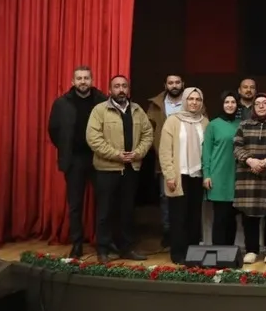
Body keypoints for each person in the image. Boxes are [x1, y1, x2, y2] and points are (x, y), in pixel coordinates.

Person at [84, 75, 153, 263]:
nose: (121, 89)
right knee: (105, 212)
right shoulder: (99, 110)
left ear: (128, 89)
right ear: (110, 90)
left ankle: (126, 248)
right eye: (117, 86)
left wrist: (138, 153)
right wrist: (116, 155)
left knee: (127, 211)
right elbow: (93, 138)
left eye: (124, 86)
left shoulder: (137, 110)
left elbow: (148, 134)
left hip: (131, 169)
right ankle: (103, 250)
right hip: (107, 170)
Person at [47, 65, 107, 258]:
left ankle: (102, 244)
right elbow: (53, 130)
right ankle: (77, 244)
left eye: (86, 78)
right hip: (74, 160)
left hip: (99, 158)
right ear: (73, 81)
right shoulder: (61, 103)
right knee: (75, 205)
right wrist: (66, 148)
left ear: (92, 80)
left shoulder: (103, 101)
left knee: (104, 202)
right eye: (79, 78)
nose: (83, 82)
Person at [158, 87, 208, 264]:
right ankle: (178, 254)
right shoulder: (173, 121)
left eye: (198, 99)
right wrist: (169, 175)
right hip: (178, 176)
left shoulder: (205, 122)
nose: (194, 102)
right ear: (185, 100)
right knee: (178, 216)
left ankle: (193, 253)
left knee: (194, 216)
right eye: (190, 99)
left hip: (198, 175)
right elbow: (165, 151)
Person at [233, 92, 266, 264]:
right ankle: (251, 250)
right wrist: (250, 160)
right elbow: (237, 147)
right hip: (247, 176)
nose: (261, 106)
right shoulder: (244, 125)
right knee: (249, 215)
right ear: (253, 107)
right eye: (257, 103)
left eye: (264, 103)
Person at [146, 74, 186, 246]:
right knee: (166, 196)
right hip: (164, 157)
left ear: (183, 84)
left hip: (187, 158)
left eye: (177, 82)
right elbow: (148, 131)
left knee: (186, 195)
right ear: (165, 85)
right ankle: (168, 232)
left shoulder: (192, 101)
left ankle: (184, 232)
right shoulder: (156, 105)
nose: (174, 85)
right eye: (171, 83)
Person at [201, 91, 240, 246]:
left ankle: (230, 253)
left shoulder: (242, 124)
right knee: (220, 217)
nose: (230, 105)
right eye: (226, 102)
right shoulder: (213, 125)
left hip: (236, 176)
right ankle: (217, 252)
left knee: (232, 218)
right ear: (222, 104)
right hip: (218, 177)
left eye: (233, 102)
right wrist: (207, 174)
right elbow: (207, 152)